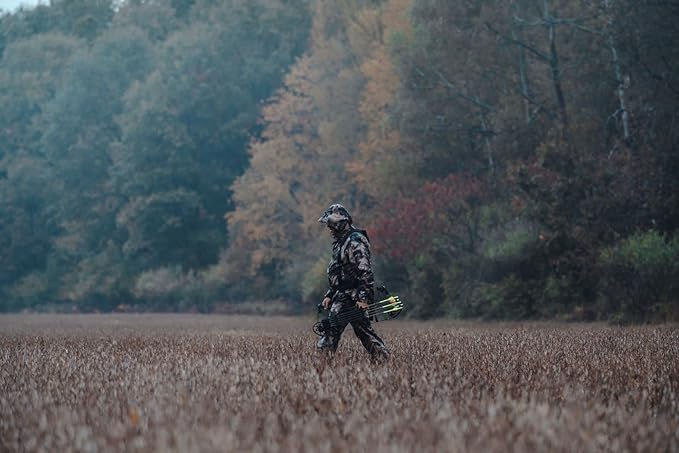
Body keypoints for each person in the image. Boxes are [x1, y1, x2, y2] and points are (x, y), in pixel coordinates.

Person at [316, 203, 389, 359]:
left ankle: (322, 364)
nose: (329, 228)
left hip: (354, 296)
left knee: (348, 331)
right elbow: (340, 271)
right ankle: (382, 359)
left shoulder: (355, 241)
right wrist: (330, 294)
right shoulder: (341, 242)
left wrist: (364, 299)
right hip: (343, 295)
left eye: (330, 224)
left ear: (339, 223)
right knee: (355, 330)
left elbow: (365, 272)